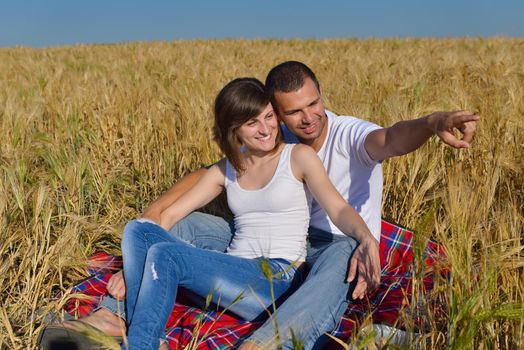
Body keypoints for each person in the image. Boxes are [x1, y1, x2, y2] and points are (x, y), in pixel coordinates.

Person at [57, 61, 479, 349]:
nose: (308, 118)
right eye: (293, 112)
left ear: (322, 97)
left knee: (340, 259)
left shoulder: (347, 135)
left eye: (314, 104)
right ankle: (112, 316)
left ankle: (269, 342)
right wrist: (147, 225)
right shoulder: (271, 137)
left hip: (335, 242)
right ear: (276, 112)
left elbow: (390, 139)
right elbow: (208, 176)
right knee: (166, 229)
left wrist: (432, 123)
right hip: (266, 239)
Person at [120, 77, 379, 349]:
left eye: (269, 117)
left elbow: (338, 208)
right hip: (233, 275)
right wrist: (134, 265)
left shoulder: (297, 157)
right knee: (138, 229)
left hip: (275, 280)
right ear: (235, 130)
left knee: (164, 255)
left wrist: (366, 237)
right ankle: (150, 339)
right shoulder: (227, 169)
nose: (266, 128)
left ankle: (141, 345)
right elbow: (170, 215)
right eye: (252, 122)